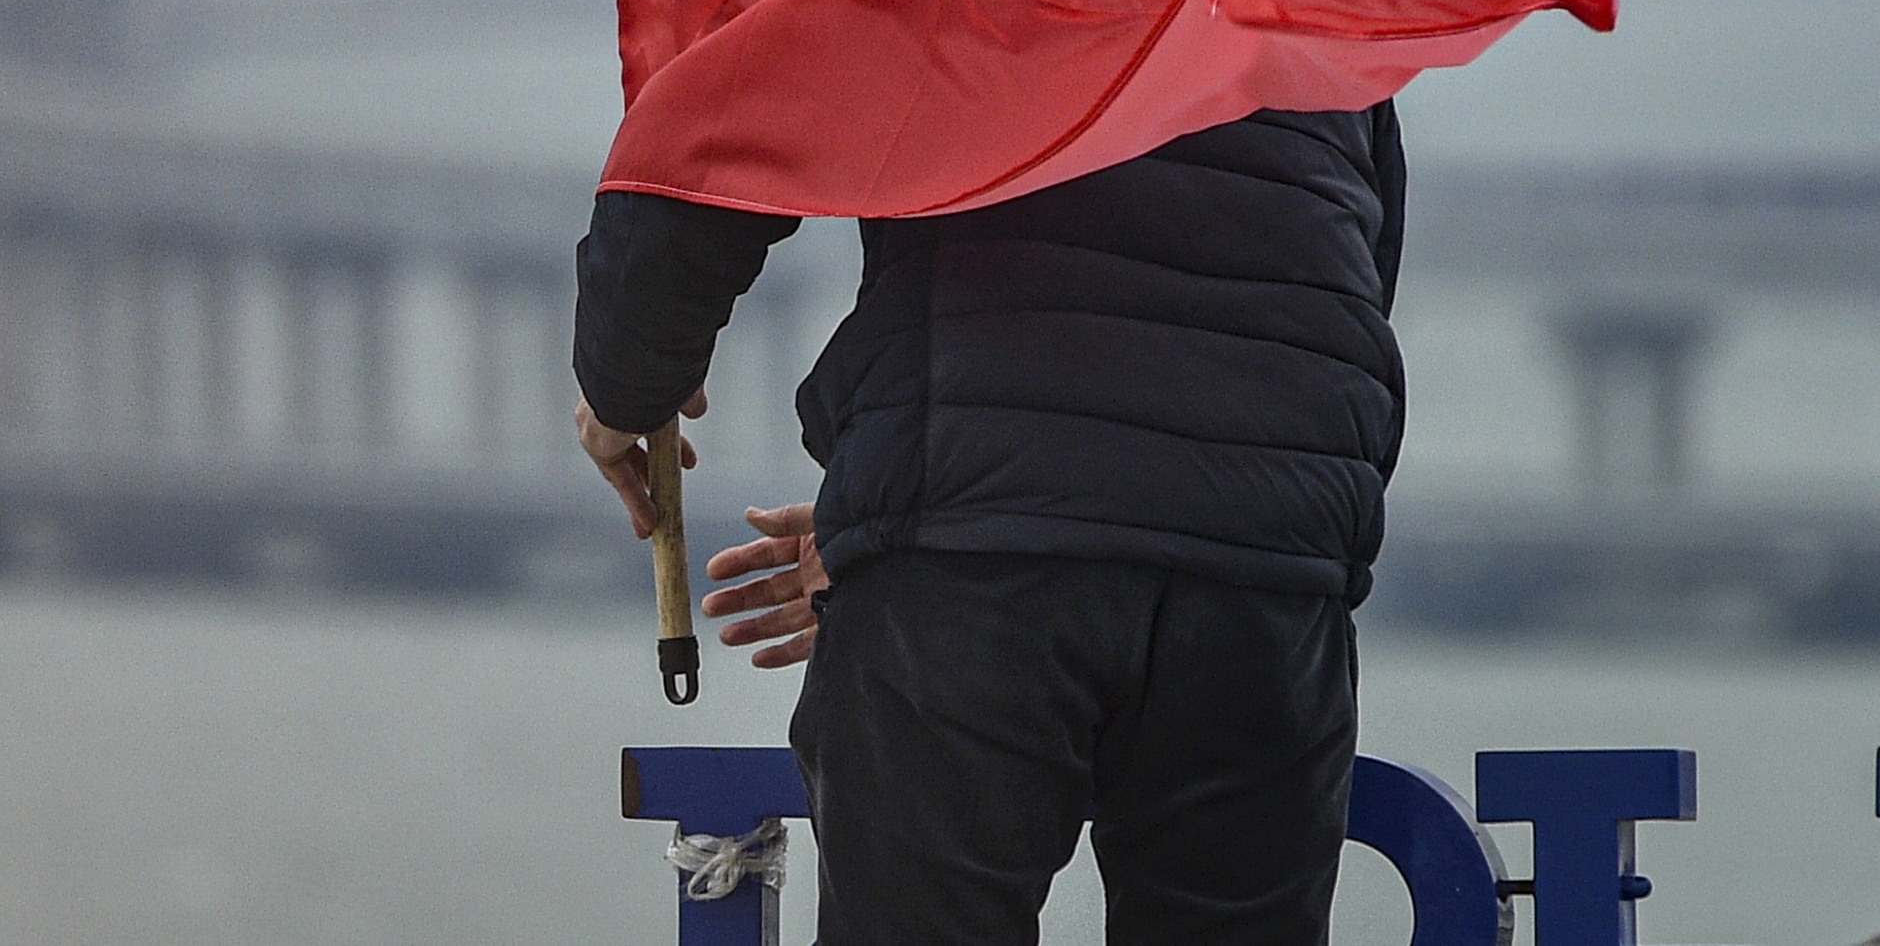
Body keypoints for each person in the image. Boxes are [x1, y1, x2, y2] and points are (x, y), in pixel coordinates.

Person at [574, 102, 1405, 946]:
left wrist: (627, 378)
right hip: (1270, 564)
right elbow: (1353, 271)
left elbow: (738, 101)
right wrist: (901, 501)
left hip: (974, 569)